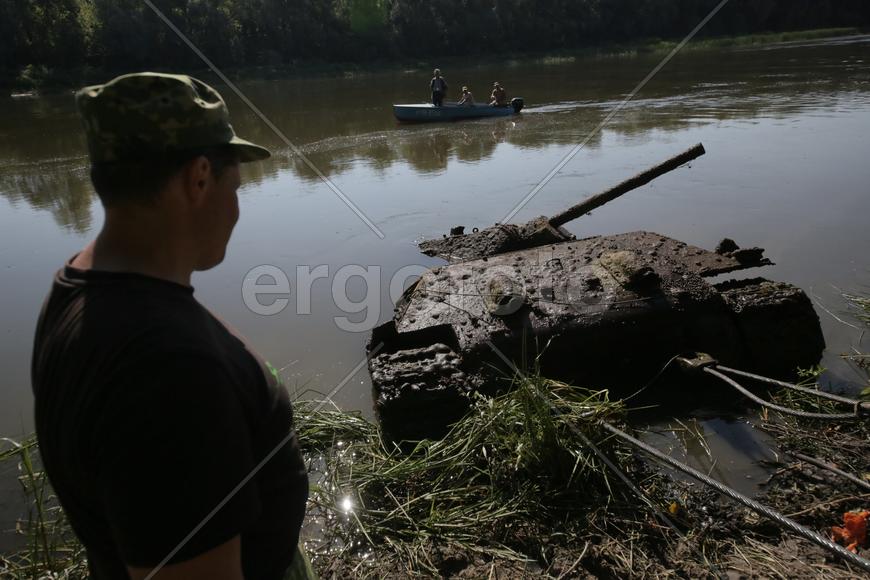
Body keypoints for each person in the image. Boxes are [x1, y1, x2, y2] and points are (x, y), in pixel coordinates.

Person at [31, 72, 315, 580]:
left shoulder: (76, 289)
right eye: (236, 186)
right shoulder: (168, 375)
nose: (237, 208)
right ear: (199, 177)